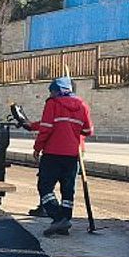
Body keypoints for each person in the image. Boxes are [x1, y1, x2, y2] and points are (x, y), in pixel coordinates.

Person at [27, 76, 94, 237]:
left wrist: (37, 148)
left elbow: (46, 128)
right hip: (72, 155)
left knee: (45, 187)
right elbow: (88, 131)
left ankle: (57, 218)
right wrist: (73, 131)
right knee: (68, 190)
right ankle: (65, 222)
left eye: (51, 91)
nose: (50, 95)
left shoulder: (53, 104)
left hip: (52, 154)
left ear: (56, 91)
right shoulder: (82, 105)